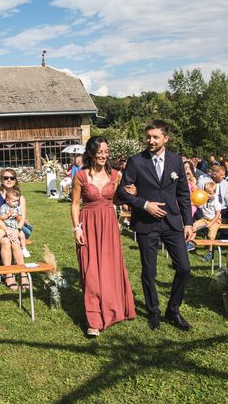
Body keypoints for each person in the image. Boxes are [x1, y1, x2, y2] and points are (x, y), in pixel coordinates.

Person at [117, 120, 194, 331]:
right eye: (148, 137)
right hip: (146, 222)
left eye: (155, 137)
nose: (150, 141)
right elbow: (122, 192)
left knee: (184, 268)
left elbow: (183, 194)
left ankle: (173, 310)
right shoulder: (136, 161)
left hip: (172, 222)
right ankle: (154, 311)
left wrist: (188, 223)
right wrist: (145, 204)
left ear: (165, 139)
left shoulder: (176, 160)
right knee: (149, 271)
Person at [71, 136, 136, 337]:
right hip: (88, 223)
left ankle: (113, 308)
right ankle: (94, 320)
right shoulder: (80, 176)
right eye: (100, 152)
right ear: (91, 153)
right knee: (90, 271)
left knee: (109, 269)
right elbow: (74, 204)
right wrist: (77, 229)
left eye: (106, 152)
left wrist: (130, 194)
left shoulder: (115, 175)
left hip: (108, 224)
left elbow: (117, 200)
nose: (103, 155)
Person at [0, 169, 28, 290]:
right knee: (6, 241)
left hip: (16, 228)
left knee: (15, 241)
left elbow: (22, 218)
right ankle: (8, 275)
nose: (9, 180)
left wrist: (17, 230)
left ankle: (22, 274)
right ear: (1, 180)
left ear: (15, 180)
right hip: (0, 229)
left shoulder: (20, 198)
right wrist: (7, 231)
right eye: (6, 178)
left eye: (12, 178)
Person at [0, 188, 28, 261]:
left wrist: (17, 216)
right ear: (7, 200)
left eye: (17, 201)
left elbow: (21, 218)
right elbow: (0, 218)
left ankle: (24, 248)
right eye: (14, 201)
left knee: (22, 235)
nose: (16, 203)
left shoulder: (17, 208)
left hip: (14, 227)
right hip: (4, 227)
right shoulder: (3, 207)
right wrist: (8, 215)